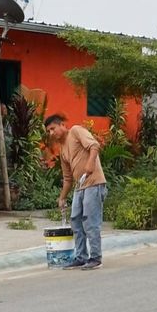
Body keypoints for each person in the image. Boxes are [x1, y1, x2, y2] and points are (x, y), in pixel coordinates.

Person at [45, 114, 107, 270]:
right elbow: (67, 178)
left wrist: (91, 163)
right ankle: (81, 257)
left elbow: (94, 146)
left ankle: (96, 258)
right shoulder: (62, 149)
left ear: (62, 125)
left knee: (90, 221)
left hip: (94, 183)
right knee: (76, 221)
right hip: (80, 187)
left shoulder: (76, 131)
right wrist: (62, 197)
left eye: (53, 128)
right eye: (49, 131)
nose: (51, 133)